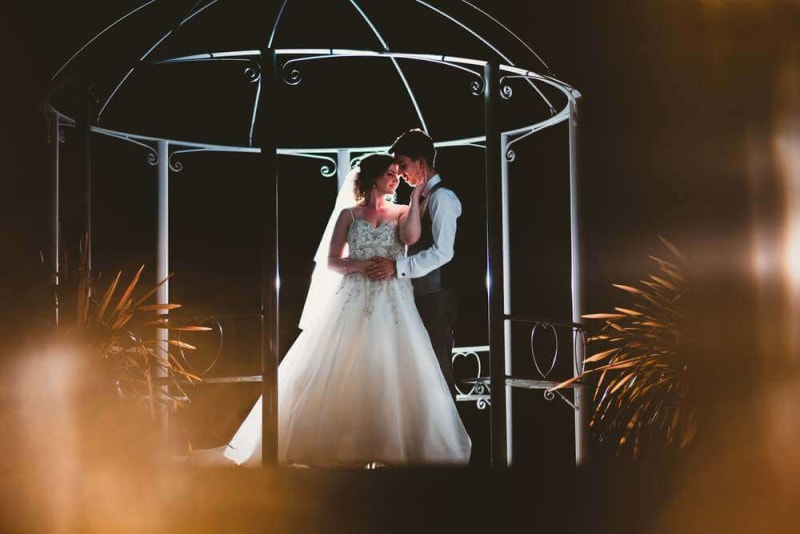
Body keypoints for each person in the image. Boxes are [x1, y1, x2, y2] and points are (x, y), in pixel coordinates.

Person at [222, 153, 471, 467]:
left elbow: (411, 238)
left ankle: (393, 446)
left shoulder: (403, 211)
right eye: (390, 173)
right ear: (373, 178)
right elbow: (331, 261)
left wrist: (417, 194)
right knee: (343, 364)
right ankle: (341, 445)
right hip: (353, 295)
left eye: (398, 173)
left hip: (393, 297)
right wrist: (361, 265)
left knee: (392, 365)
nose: (395, 178)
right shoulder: (348, 215)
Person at [367, 129, 461, 402]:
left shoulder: (442, 198)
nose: (400, 174)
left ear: (422, 163)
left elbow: (443, 252)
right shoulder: (421, 198)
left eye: (404, 166)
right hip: (420, 296)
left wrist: (397, 267)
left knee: (439, 373)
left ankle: (448, 442)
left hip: (438, 296)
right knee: (422, 373)